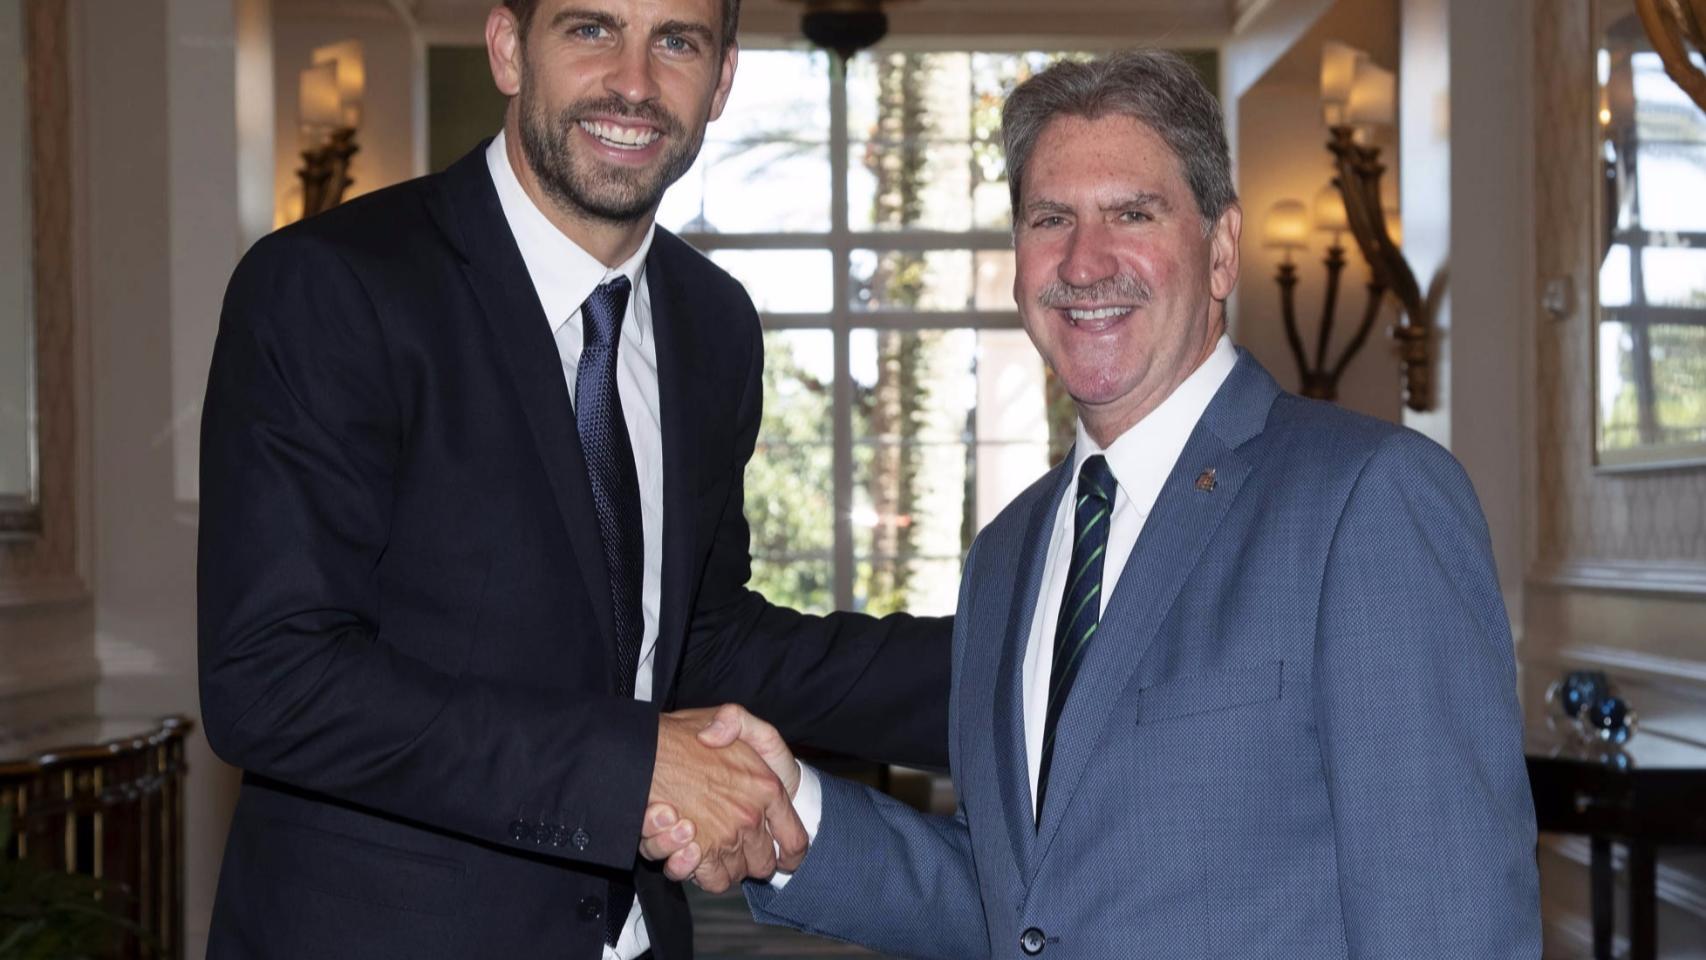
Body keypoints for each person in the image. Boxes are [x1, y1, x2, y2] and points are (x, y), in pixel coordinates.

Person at [677, 50, 1542, 958]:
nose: (1085, 262)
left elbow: (1452, 922)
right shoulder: (1008, 554)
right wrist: (792, 813)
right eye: (1051, 218)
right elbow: (1024, 902)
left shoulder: (1368, 500)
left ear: (1220, 250)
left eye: (1133, 213)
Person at [195, 1, 948, 957]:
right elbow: (273, 678)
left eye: (677, 41)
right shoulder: (330, 286)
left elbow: (700, 643)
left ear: (721, 82)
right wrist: (633, 773)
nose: (634, 81)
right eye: (592, 29)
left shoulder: (713, 323)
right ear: (510, 49)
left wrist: (1032, 675)